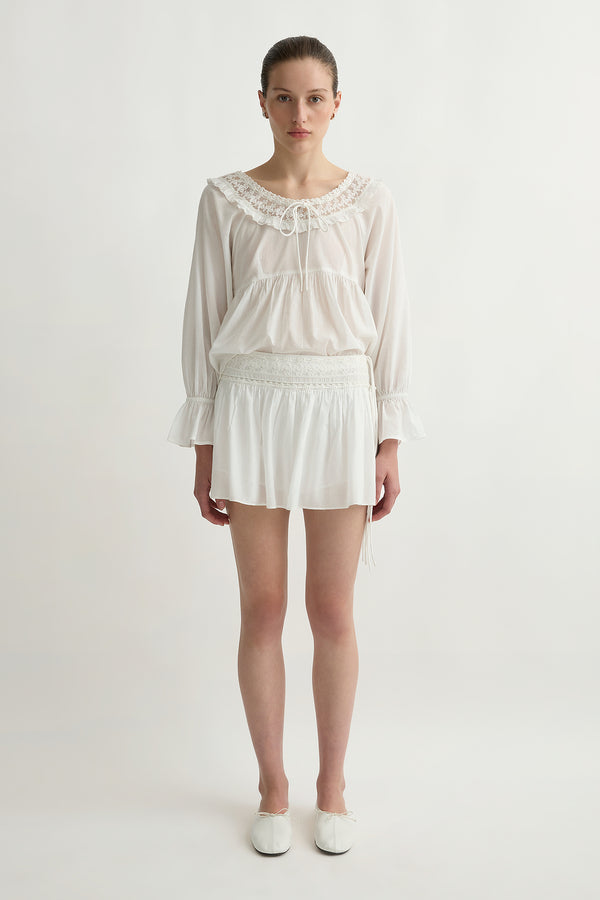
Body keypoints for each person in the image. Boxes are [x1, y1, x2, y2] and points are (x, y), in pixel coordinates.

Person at [167, 35, 426, 855]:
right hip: (250, 405)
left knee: (332, 610)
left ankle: (332, 787)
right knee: (264, 608)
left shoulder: (370, 201)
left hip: (342, 406)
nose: (300, 113)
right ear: (262, 103)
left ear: (337, 104)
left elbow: (391, 317)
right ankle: (273, 788)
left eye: (315, 98)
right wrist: (205, 442)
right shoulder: (225, 200)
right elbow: (204, 316)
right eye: (284, 97)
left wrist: (389, 437)